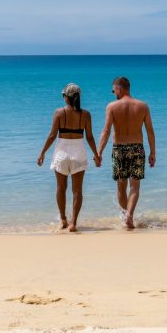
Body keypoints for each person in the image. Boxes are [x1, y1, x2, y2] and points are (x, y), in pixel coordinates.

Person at [37, 83, 101, 232]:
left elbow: (53, 135)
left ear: (66, 97)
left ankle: (63, 219)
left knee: (61, 188)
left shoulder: (59, 112)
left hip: (61, 153)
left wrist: (42, 153)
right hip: (78, 152)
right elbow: (90, 137)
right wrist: (96, 155)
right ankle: (74, 222)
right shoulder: (86, 114)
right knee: (77, 190)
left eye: (63, 95)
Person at [98, 76, 156, 229]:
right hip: (137, 148)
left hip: (119, 149)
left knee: (121, 187)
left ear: (120, 88)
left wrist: (99, 152)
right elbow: (150, 131)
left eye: (113, 90)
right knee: (135, 187)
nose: (113, 93)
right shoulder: (143, 106)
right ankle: (129, 216)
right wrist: (153, 153)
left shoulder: (111, 106)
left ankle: (126, 216)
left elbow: (106, 131)